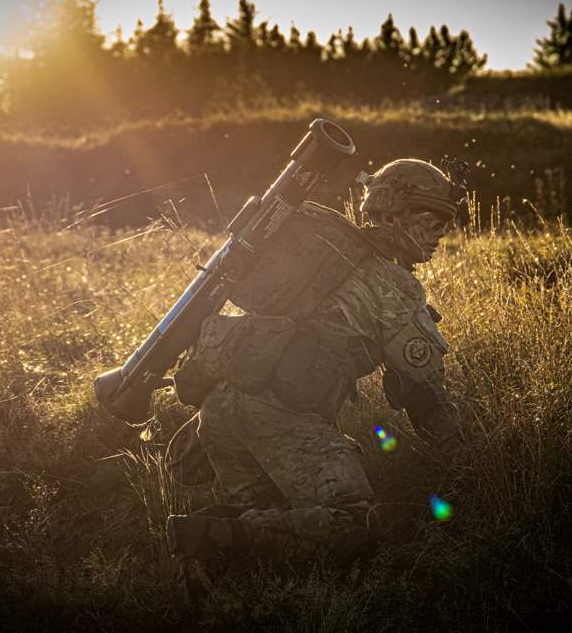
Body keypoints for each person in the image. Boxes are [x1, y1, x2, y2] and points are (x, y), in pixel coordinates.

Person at [165, 158, 466, 602]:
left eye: (445, 222)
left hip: (222, 410)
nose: (439, 232)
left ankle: (216, 567)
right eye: (429, 218)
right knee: (352, 521)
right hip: (281, 417)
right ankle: (208, 534)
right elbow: (427, 397)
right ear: (389, 213)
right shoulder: (394, 286)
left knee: (277, 516)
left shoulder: (319, 258)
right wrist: (470, 459)